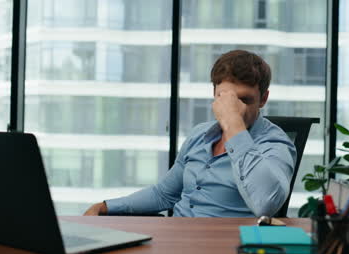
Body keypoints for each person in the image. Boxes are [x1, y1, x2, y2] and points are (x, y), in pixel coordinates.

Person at [84, 50, 296, 217]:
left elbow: (266, 204)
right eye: (226, 98)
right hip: (178, 238)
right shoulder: (199, 135)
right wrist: (105, 207)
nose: (235, 107)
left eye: (245, 99)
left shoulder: (276, 144)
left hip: (226, 248)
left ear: (263, 99)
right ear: (214, 95)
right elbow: (164, 194)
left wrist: (233, 123)